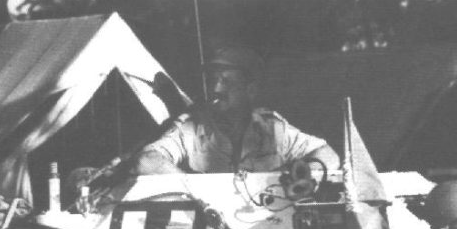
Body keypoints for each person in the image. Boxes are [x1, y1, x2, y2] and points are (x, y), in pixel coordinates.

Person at [135, 45, 340, 175]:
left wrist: (296, 178)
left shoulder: (272, 129)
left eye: (226, 82)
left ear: (250, 90)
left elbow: (328, 156)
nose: (216, 89)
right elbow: (147, 161)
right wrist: (194, 193)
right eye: (213, 80)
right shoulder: (192, 129)